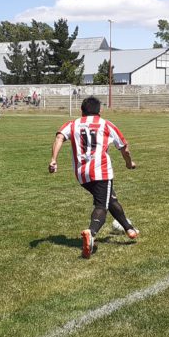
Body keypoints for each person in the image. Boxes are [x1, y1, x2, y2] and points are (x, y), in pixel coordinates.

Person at [49, 96, 138, 259]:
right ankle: (92, 232)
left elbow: (59, 137)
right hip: (101, 171)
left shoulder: (72, 124)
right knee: (101, 206)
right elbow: (124, 148)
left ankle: (129, 229)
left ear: (81, 111)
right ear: (100, 111)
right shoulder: (106, 124)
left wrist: (54, 159)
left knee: (109, 199)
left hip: (82, 174)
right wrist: (129, 163)